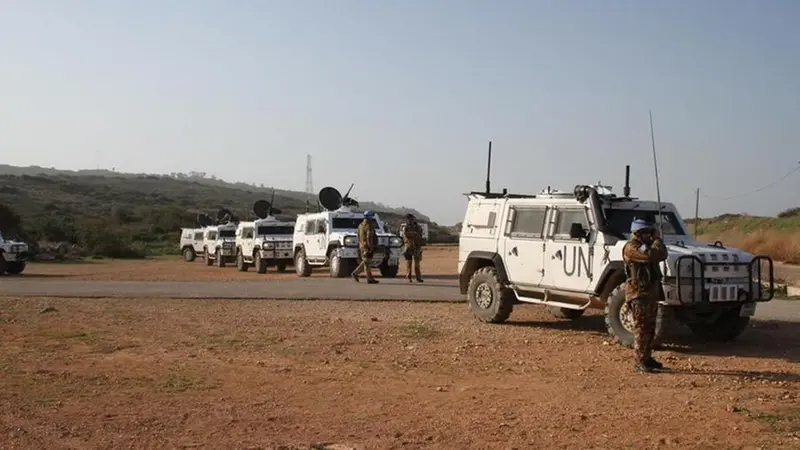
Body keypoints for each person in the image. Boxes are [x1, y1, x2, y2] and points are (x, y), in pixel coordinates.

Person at [622, 218, 669, 373]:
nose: (650, 235)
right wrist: (657, 240)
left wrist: (656, 241)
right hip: (638, 294)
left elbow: (662, 254)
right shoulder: (632, 247)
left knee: (650, 328)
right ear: (639, 233)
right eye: (647, 232)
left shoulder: (645, 246)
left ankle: (647, 358)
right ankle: (639, 361)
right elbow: (652, 255)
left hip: (649, 293)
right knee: (642, 329)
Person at [352, 210, 379, 284]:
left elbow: (358, 236)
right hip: (367, 246)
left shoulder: (360, 225)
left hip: (362, 246)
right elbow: (369, 237)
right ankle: (367, 278)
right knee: (367, 262)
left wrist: (360, 245)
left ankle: (365, 276)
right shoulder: (369, 226)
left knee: (366, 262)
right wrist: (371, 247)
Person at [402, 214, 424, 282]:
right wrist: (414, 234)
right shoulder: (406, 227)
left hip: (417, 246)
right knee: (409, 262)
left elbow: (420, 235)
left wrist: (413, 234)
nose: (410, 220)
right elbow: (406, 234)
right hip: (409, 247)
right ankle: (409, 277)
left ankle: (418, 277)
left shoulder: (418, 227)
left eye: (411, 219)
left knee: (417, 263)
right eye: (409, 219)